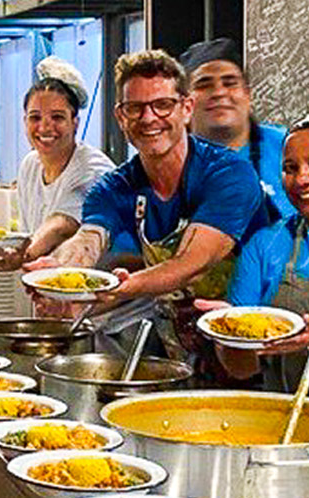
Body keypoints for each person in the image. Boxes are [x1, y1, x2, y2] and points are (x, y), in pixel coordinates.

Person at [32, 50, 270, 362]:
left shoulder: (227, 174)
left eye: (162, 105)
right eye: (135, 108)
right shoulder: (115, 187)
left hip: (256, 345)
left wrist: (122, 287)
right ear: (121, 117)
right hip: (182, 348)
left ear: (186, 109)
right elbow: (89, 238)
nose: (148, 118)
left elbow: (192, 263)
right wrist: (59, 272)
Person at [0, 57, 115, 272]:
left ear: (75, 123)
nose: (45, 127)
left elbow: (63, 224)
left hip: (102, 297)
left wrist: (24, 254)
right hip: (51, 289)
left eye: (58, 117)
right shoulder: (30, 166)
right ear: (24, 122)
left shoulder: (93, 168)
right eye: (35, 117)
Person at [209, 116, 309, 390]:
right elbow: (242, 370)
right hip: (285, 422)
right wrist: (229, 334)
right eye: (291, 167)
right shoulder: (265, 245)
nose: (302, 179)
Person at [180, 37, 295, 222]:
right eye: (204, 84)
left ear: (248, 94)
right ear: (184, 102)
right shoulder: (170, 163)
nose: (219, 92)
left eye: (230, 82)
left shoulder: (288, 147)